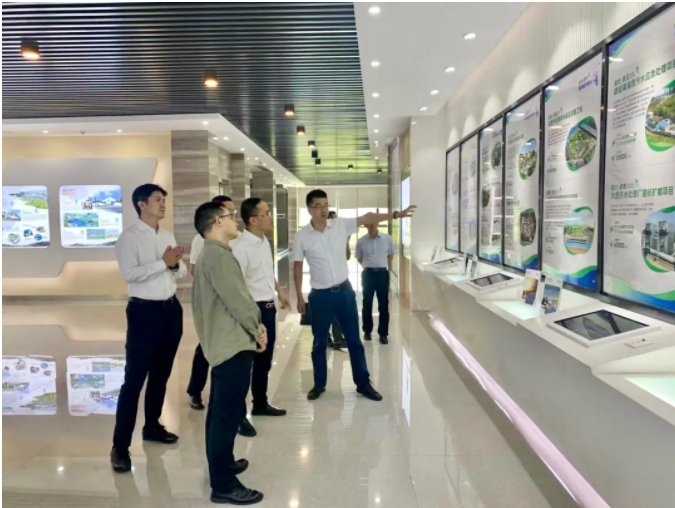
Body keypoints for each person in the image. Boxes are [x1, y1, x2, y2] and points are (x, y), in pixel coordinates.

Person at [293, 189, 415, 401]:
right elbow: (297, 266)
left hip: (344, 293)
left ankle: (363, 383)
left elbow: (368, 217)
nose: (323, 210)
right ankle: (319, 384)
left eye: (326, 205)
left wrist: (396, 215)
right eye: (318, 206)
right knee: (319, 342)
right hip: (320, 296)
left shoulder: (340, 225)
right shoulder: (301, 236)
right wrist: (299, 297)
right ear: (309, 209)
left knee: (354, 341)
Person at [192, 201, 267, 505]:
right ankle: (223, 484)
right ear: (217, 222)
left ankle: (221, 465)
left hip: (224, 343)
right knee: (225, 416)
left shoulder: (211, 254)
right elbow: (239, 300)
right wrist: (258, 328)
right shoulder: (219, 256)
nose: (236, 220)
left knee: (219, 413)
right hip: (232, 345)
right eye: (230, 216)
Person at [111, 184, 187, 474]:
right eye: (157, 199)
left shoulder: (166, 235)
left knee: (161, 374)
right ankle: (120, 446)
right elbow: (129, 275)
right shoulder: (129, 237)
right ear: (141, 204)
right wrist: (163, 263)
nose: (163, 203)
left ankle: (152, 426)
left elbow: (179, 271)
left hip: (171, 310)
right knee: (134, 379)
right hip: (144, 312)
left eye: (164, 199)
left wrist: (174, 265)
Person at [233, 198, 290, 425]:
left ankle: (260, 403)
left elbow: (267, 272)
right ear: (253, 220)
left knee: (264, 360)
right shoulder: (240, 248)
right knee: (246, 362)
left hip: (268, 307)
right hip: (252, 309)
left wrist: (279, 292)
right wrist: (250, 317)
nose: (270, 217)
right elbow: (237, 286)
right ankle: (239, 414)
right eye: (266, 213)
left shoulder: (264, 241)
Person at [187, 195, 236, 411]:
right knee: (205, 348)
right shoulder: (202, 239)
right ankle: (195, 390)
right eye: (229, 212)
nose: (233, 217)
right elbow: (194, 269)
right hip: (214, 305)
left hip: (232, 303)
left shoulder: (237, 236)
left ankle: (226, 398)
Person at [356, 223, 395, 344]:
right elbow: (359, 258)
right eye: (370, 223)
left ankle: (383, 334)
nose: (372, 225)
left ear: (377, 224)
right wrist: (370, 266)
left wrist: (379, 264)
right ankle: (367, 331)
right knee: (367, 303)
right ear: (366, 225)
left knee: (383, 304)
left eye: (374, 222)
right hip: (368, 275)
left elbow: (390, 256)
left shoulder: (387, 238)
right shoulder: (361, 241)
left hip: (382, 274)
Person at [326, 210, 349, 352]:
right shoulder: (325, 237)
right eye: (334, 220)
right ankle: (337, 339)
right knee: (332, 311)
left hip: (339, 280)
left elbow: (347, 256)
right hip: (326, 281)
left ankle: (332, 338)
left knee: (334, 311)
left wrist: (346, 241)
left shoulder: (338, 237)